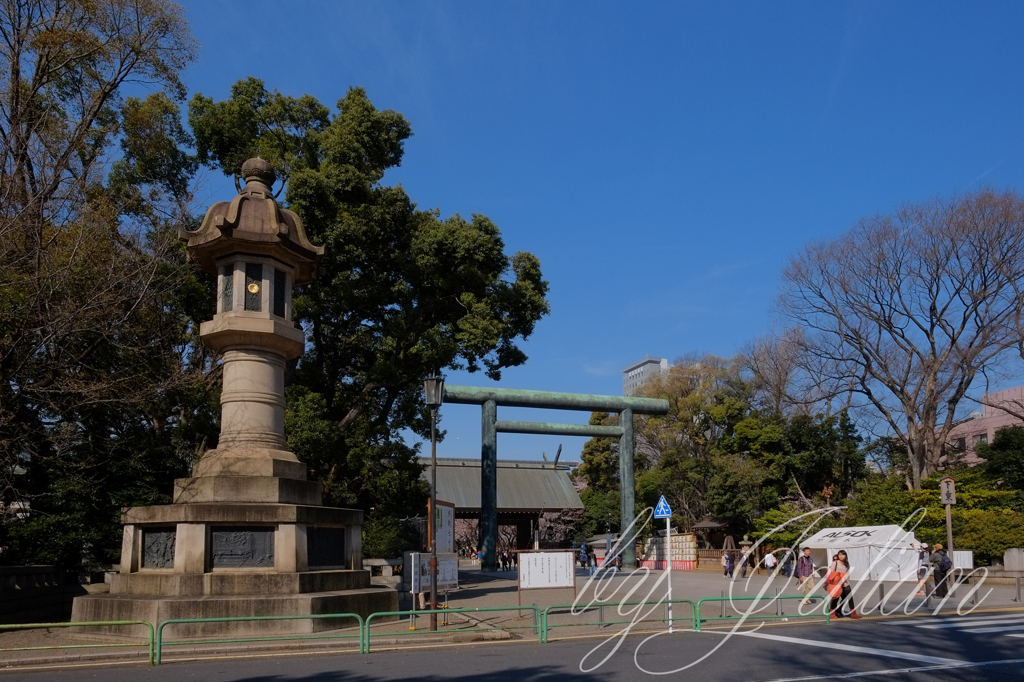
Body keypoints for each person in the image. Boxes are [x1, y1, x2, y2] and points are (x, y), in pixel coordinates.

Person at [827, 550, 862, 619]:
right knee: (835, 598)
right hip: (837, 583)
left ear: (845, 556)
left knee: (848, 597)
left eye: (843, 555)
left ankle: (852, 613)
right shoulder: (835, 563)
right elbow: (831, 573)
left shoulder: (846, 563)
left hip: (845, 583)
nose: (841, 556)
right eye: (840, 555)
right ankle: (832, 613)